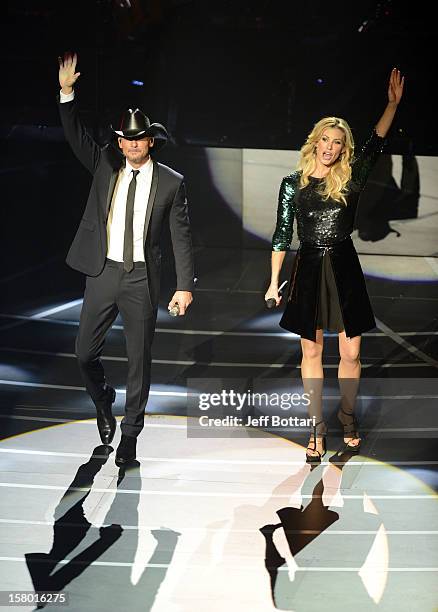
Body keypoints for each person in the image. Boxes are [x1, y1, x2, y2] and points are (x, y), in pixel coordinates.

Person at [57, 52, 194, 466]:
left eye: (139, 139)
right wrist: (67, 93)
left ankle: (130, 435)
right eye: (126, 139)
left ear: (150, 140)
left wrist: (185, 285)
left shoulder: (171, 182)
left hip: (141, 280)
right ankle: (103, 402)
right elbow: (74, 133)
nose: (132, 145)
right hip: (102, 272)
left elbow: (181, 235)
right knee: (84, 353)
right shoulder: (105, 164)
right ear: (119, 141)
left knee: (139, 361)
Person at [265, 68, 404, 462]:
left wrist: (392, 105)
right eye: (325, 139)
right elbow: (281, 234)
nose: (329, 147)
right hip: (308, 266)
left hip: (343, 265)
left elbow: (377, 142)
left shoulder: (350, 179)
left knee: (351, 353)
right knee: (311, 353)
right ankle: (316, 426)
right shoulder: (292, 184)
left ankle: (346, 415)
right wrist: (274, 281)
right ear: (316, 142)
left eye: (337, 142)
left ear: (344, 149)